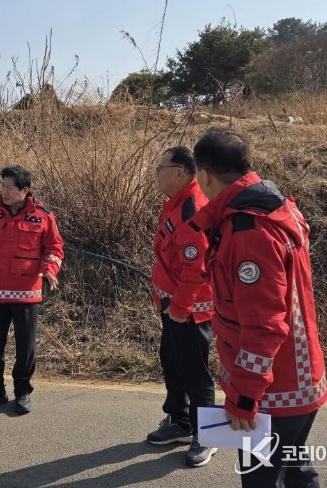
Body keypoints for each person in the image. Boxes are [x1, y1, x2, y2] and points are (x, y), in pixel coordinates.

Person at [190, 129, 327, 487]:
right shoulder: (275, 206)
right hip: (298, 378)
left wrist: (244, 396)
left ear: (205, 175)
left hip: (274, 390)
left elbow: (263, 325)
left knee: (262, 480)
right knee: (295, 473)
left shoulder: (248, 231)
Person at [0, 165, 64, 415]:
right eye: (2, 186)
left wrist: (50, 270)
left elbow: (54, 249)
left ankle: (22, 392)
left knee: (25, 349)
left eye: (10, 187)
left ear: (24, 190)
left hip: (27, 295)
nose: (4, 192)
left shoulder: (43, 216)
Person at [148, 146, 217, 468]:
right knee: (172, 363)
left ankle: (210, 436)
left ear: (179, 172)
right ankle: (180, 421)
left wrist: (180, 306)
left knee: (194, 373)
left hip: (189, 309)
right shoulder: (175, 204)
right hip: (172, 305)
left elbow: (196, 268)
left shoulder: (192, 209)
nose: (156, 174)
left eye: (160, 168)